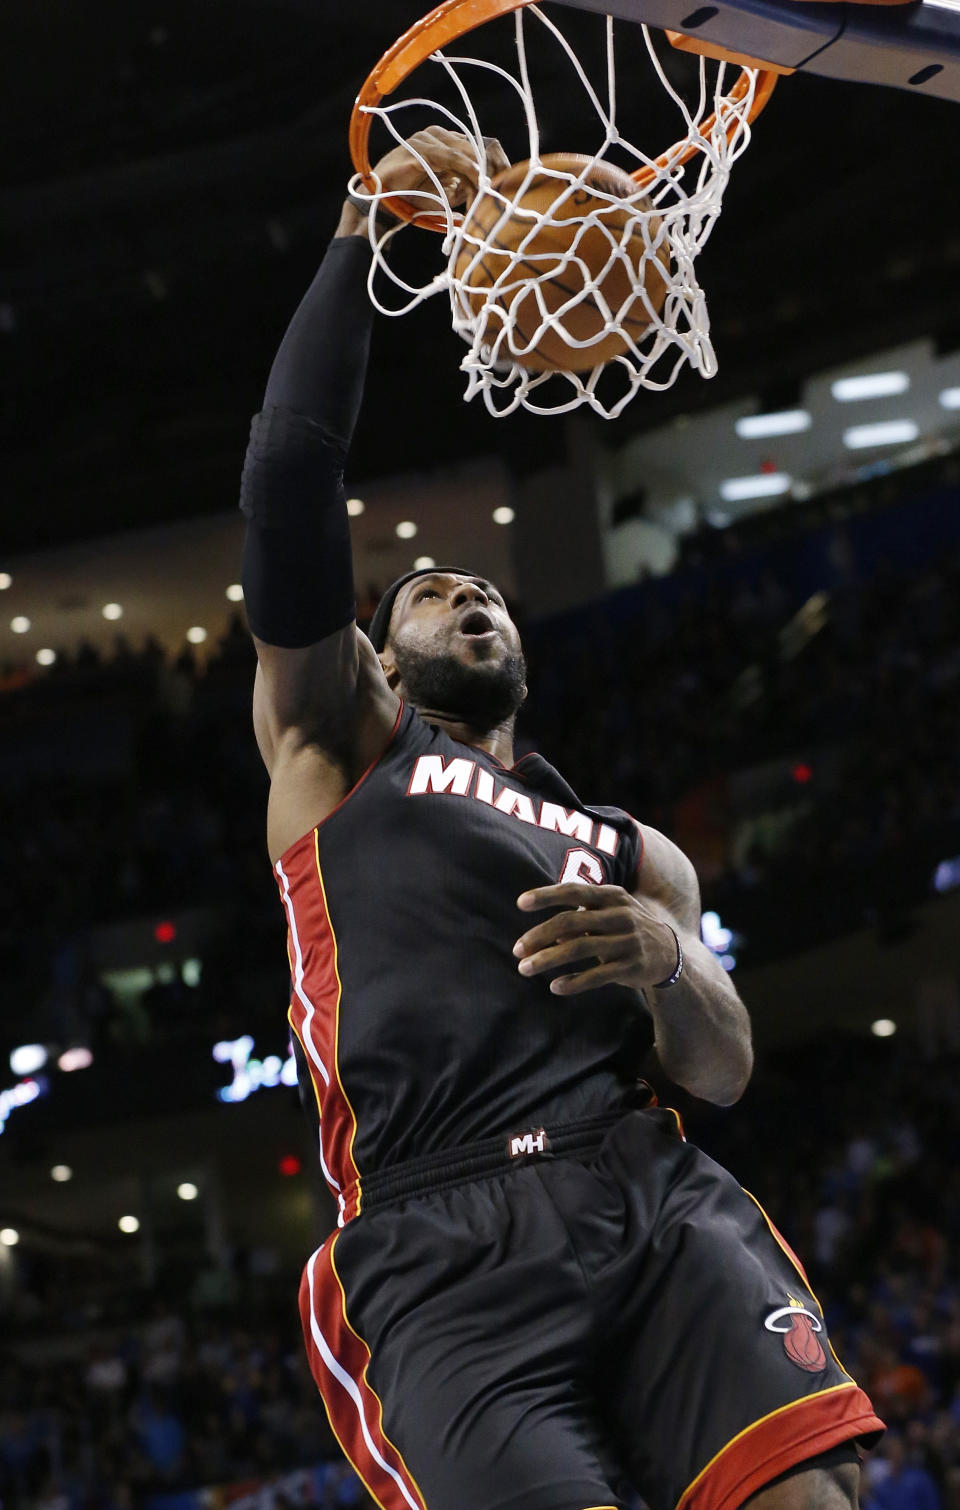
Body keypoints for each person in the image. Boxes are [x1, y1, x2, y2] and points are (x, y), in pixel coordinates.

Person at [239, 126, 883, 1510]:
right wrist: (364, 233)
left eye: (490, 591)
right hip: (437, 1229)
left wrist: (668, 960)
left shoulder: (631, 845)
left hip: (647, 1188)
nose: (470, 595)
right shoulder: (342, 745)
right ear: (380, 651)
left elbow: (720, 1066)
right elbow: (291, 470)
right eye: (431, 593)